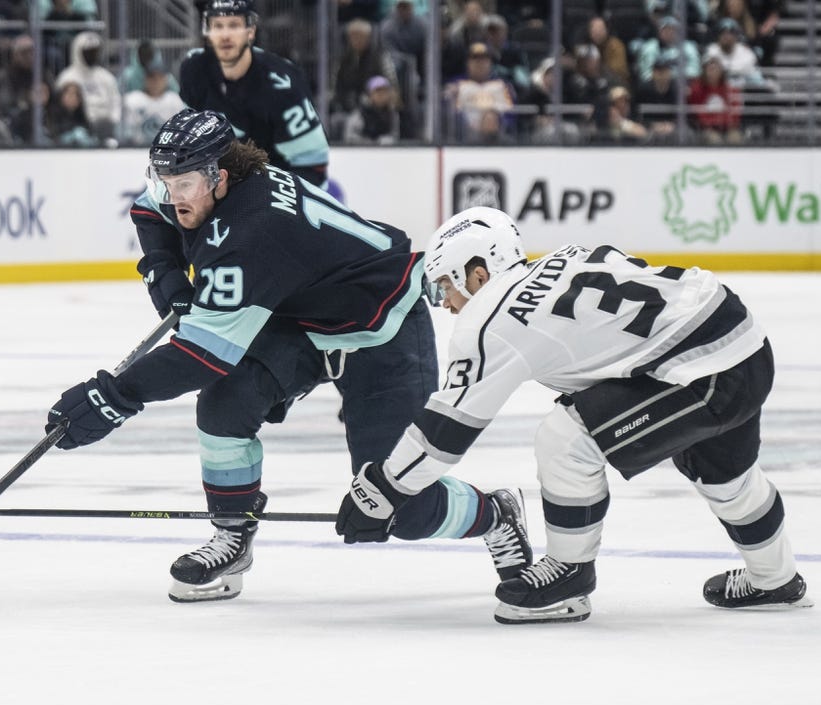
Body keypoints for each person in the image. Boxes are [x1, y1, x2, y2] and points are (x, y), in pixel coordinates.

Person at [46, 109, 532, 603]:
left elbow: (201, 356)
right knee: (225, 404)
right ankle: (233, 533)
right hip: (303, 321)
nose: (173, 196)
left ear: (220, 176)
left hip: (381, 326)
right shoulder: (208, 187)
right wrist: (167, 276)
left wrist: (116, 396)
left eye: (184, 184)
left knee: (401, 508)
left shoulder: (252, 230)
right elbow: (150, 211)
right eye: (165, 181)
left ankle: (497, 513)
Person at [336, 205, 811, 624]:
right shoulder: (564, 258)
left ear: (477, 274)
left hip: (701, 371)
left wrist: (385, 489)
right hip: (741, 341)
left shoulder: (490, 318)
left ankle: (569, 576)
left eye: (445, 286)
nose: (447, 305)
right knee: (727, 477)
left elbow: (445, 432)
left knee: (567, 439)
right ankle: (775, 578)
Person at [179, 0, 330, 186]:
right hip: (222, 181)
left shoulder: (283, 85)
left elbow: (313, 166)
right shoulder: (193, 70)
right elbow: (192, 144)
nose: (225, 35)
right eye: (217, 26)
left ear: (250, 31)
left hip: (277, 183)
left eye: (234, 25)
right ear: (207, 32)